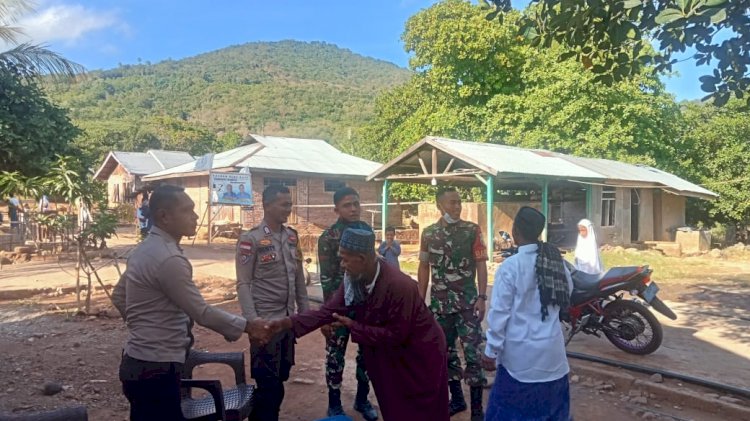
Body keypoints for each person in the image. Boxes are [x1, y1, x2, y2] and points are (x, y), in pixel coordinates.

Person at [112, 184, 267, 421]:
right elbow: (201, 312)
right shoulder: (169, 258)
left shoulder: (144, 250)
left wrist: (143, 328)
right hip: (157, 369)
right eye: (187, 210)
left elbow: (119, 296)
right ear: (164, 216)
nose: (195, 216)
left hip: (137, 363)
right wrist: (247, 326)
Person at [265, 228, 450, 421]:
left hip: (419, 355)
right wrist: (286, 323)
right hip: (389, 353)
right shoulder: (354, 280)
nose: (342, 265)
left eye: (345, 259)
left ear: (361, 259)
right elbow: (328, 312)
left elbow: (397, 335)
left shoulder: (399, 285)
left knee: (422, 411)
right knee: (394, 405)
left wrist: (354, 326)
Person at [482, 206, 573, 421]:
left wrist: (490, 350)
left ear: (515, 232)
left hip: (519, 363)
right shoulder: (555, 262)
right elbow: (567, 292)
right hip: (553, 358)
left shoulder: (511, 267)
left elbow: (499, 314)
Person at [236, 184, 310, 421]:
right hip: (265, 324)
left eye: (290, 204)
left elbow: (299, 279)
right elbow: (243, 284)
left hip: (287, 322)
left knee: (280, 379)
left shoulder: (291, 236)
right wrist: (253, 321)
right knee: (268, 385)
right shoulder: (251, 239)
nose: (289, 209)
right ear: (267, 205)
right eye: (284, 204)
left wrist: (305, 316)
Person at [417, 187, 487, 420]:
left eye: (459, 202)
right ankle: (456, 399)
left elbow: (480, 264)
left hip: (467, 305)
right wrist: (420, 298)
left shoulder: (471, 231)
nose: (457, 207)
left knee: (473, 354)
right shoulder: (428, 234)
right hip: (440, 306)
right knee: (445, 354)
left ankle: (477, 411)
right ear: (440, 205)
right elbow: (424, 266)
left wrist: (482, 296)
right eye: (452, 203)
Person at [317, 187, 378, 420]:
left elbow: (372, 268)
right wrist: (327, 315)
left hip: (365, 305)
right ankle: (334, 405)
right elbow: (326, 278)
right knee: (335, 355)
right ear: (336, 210)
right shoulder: (328, 238)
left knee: (367, 354)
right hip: (338, 306)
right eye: (347, 205)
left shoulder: (366, 231)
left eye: (356, 203)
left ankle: (362, 400)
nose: (353, 209)